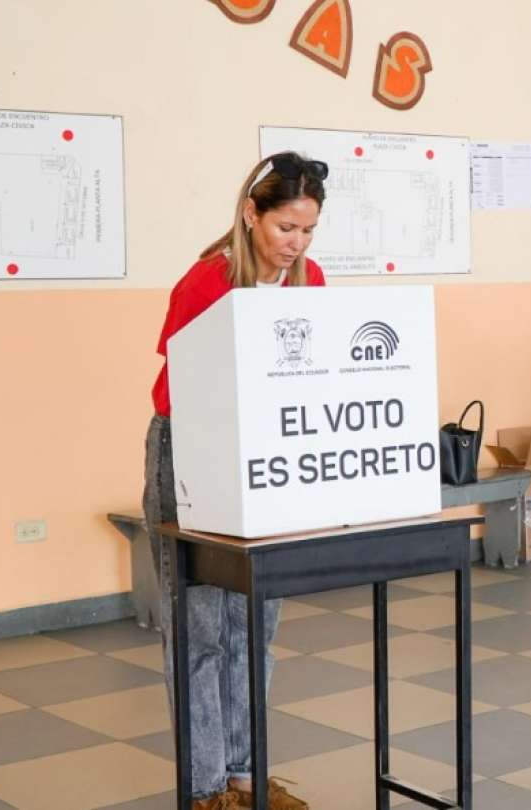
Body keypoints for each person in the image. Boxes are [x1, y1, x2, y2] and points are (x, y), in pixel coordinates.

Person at [144, 152, 326, 810]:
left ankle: (249, 776)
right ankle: (205, 788)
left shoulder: (310, 281)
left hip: (267, 461)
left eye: (308, 231)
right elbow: (180, 385)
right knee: (200, 628)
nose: (296, 245)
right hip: (191, 454)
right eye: (285, 228)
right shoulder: (207, 281)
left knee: (255, 625)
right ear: (252, 214)